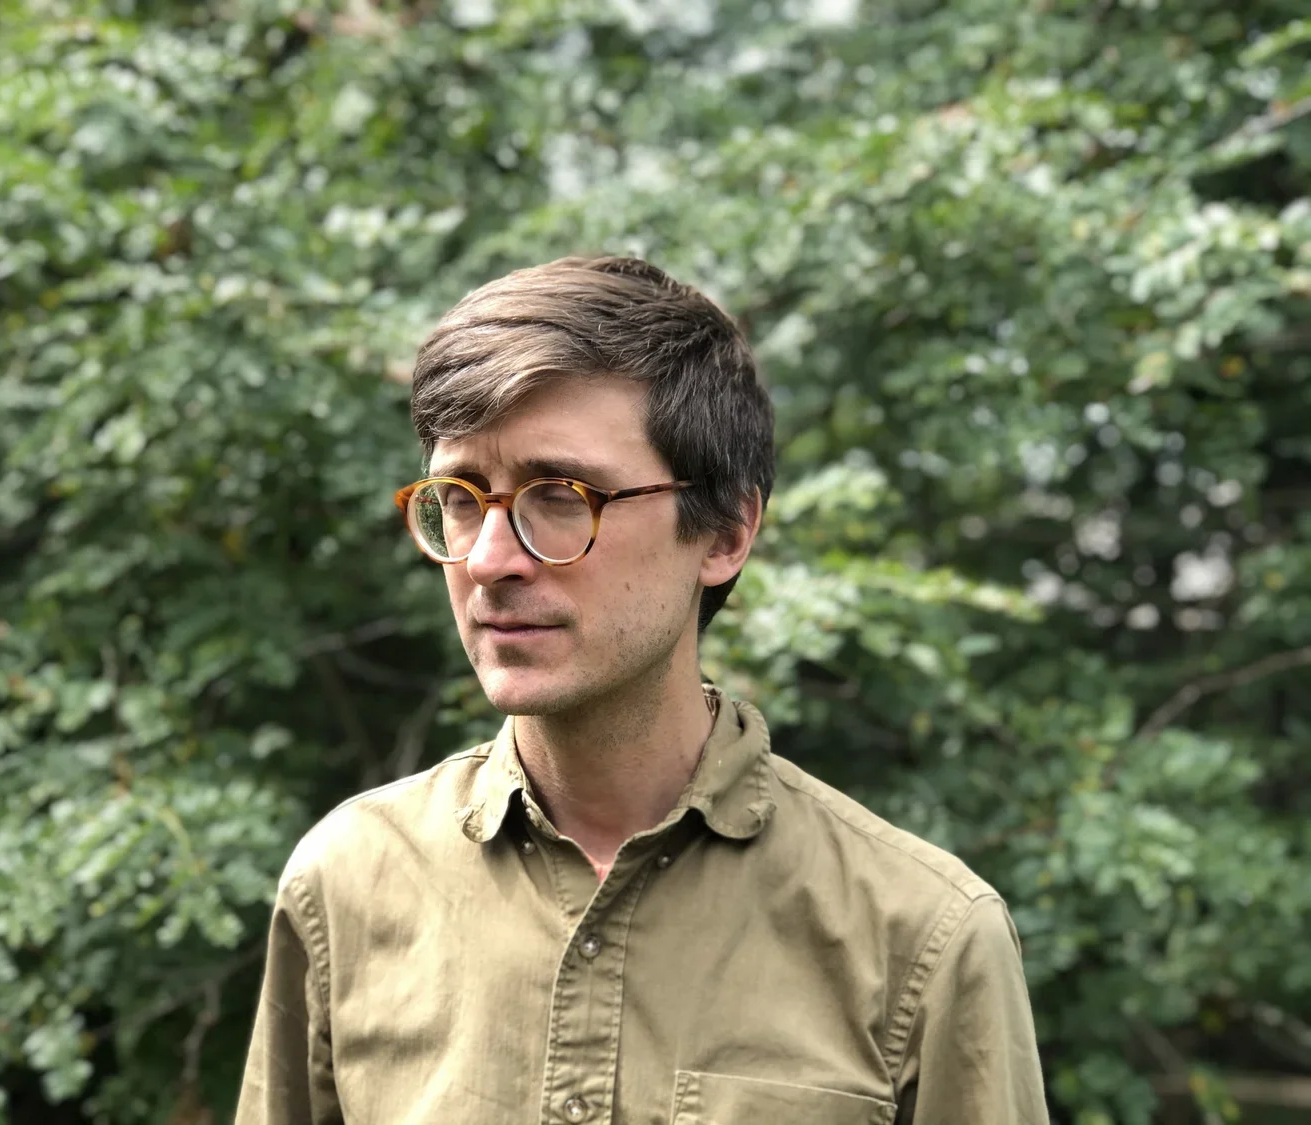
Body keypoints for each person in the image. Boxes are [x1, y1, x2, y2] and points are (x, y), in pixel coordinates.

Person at [234, 256, 1048, 1124]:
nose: (486, 559)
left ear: (725, 533)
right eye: (462, 498)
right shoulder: (348, 882)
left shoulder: (921, 937)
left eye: (559, 495)